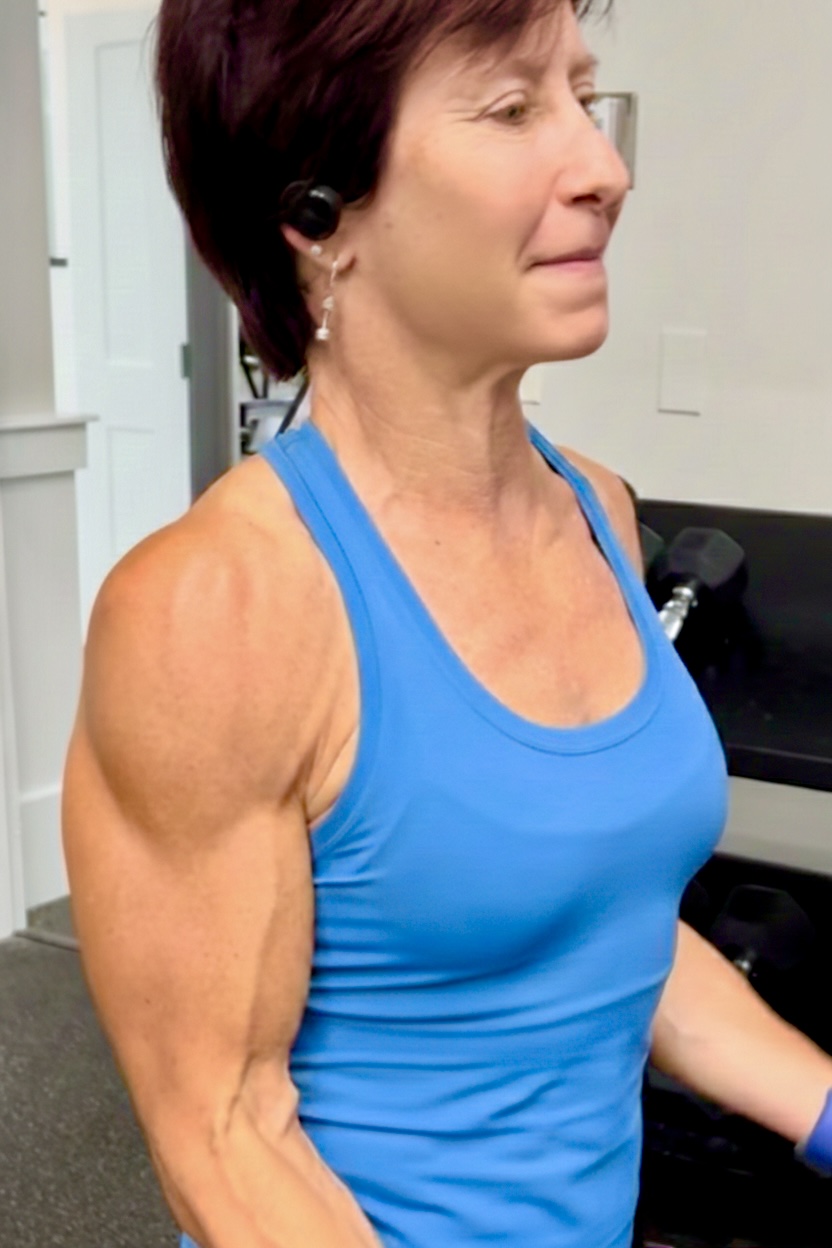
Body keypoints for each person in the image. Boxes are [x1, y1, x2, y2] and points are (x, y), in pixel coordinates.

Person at [61, 0, 832, 1245]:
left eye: (584, 96)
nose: (602, 167)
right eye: (512, 108)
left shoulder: (596, 509)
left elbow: (604, 931)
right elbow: (225, 1136)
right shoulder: (222, 608)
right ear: (316, 209)